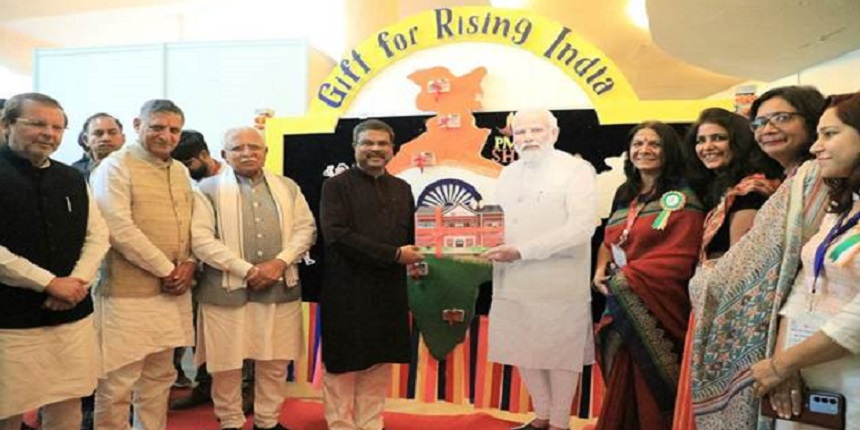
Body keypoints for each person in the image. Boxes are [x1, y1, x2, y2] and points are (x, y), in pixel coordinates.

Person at [688, 86, 828, 429]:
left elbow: (757, 264)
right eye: (760, 122)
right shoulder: (787, 182)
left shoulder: (811, 178)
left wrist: (707, 277)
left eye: (782, 118)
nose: (768, 128)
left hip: (804, 326)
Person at [191, 126, 316, 430]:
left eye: (254, 147)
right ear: (224, 155)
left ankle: (267, 422)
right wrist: (245, 270)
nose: (247, 153)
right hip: (224, 289)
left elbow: (306, 229)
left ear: (265, 152)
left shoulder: (288, 187)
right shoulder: (206, 189)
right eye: (238, 148)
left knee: (274, 363)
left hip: (279, 286)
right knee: (226, 364)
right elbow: (200, 239)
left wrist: (279, 263)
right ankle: (231, 422)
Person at [749, 92, 860, 427]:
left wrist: (782, 364)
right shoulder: (844, 206)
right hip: (812, 367)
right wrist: (785, 362)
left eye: (829, 134)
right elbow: (806, 282)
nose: (815, 147)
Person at [0, 93, 109, 430]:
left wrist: (75, 283)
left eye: (58, 127)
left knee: (68, 402)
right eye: (38, 124)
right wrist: (49, 283)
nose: (49, 133)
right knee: (8, 409)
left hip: (72, 315)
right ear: (7, 125)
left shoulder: (72, 177)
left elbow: (98, 235)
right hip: (11, 318)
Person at [482, 109, 597, 430]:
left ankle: (560, 423)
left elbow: (582, 226)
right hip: (513, 279)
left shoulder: (576, 169)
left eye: (536, 130)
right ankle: (541, 415)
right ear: (512, 137)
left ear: (554, 134)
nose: (528, 138)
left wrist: (523, 250)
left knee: (561, 353)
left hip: (559, 282)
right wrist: (480, 243)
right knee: (523, 348)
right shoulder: (508, 173)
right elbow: (497, 223)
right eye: (521, 132)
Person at [672, 108, 783, 429]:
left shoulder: (750, 192)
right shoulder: (727, 189)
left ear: (739, 140)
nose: (708, 146)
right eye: (701, 140)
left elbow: (739, 265)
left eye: (718, 138)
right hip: (711, 304)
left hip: (729, 311)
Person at [90, 99, 196, 430]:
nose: (166, 136)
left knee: (159, 378)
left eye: (174, 130)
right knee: (118, 382)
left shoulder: (180, 171)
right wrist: (168, 270)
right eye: (157, 127)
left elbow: (193, 224)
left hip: (171, 294)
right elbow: (117, 228)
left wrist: (190, 262)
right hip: (126, 294)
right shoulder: (114, 166)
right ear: (137, 125)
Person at [592, 121, 705, 430]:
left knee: (652, 390)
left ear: (669, 149)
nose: (644, 150)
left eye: (654, 144)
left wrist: (626, 279)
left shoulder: (683, 194)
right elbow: (609, 239)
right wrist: (601, 268)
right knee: (622, 382)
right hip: (619, 301)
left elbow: (681, 255)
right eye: (638, 144)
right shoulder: (625, 193)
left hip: (660, 305)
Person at [319, 119, 424, 430]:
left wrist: (417, 258)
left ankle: (371, 422)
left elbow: (411, 236)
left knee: (379, 359)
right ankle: (340, 423)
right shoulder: (335, 186)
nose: (375, 149)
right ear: (355, 148)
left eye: (382, 144)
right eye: (367, 143)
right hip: (346, 288)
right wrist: (394, 255)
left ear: (393, 149)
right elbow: (336, 234)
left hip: (388, 289)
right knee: (341, 361)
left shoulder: (402, 188)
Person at [71, 113, 125, 179]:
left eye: (112, 133)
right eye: (98, 133)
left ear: (123, 138)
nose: (106, 138)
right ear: (85, 140)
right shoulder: (74, 173)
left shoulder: (136, 165)